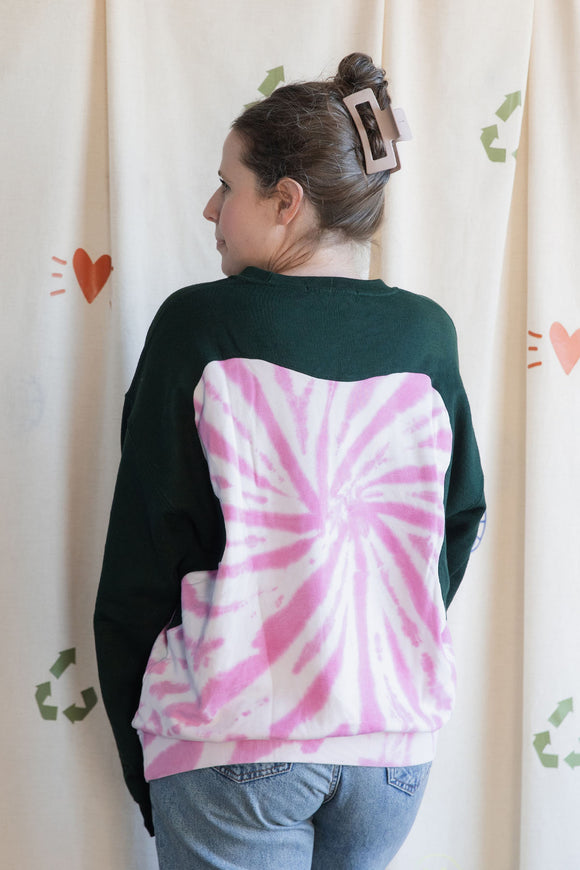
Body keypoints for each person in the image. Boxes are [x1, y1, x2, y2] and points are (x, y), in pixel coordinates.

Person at [94, 52, 485, 869]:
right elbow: (456, 523)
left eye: (227, 186)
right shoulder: (428, 337)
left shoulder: (198, 328)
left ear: (285, 201)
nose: (211, 207)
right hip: (392, 752)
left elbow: (144, 556)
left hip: (237, 737)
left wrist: (146, 760)